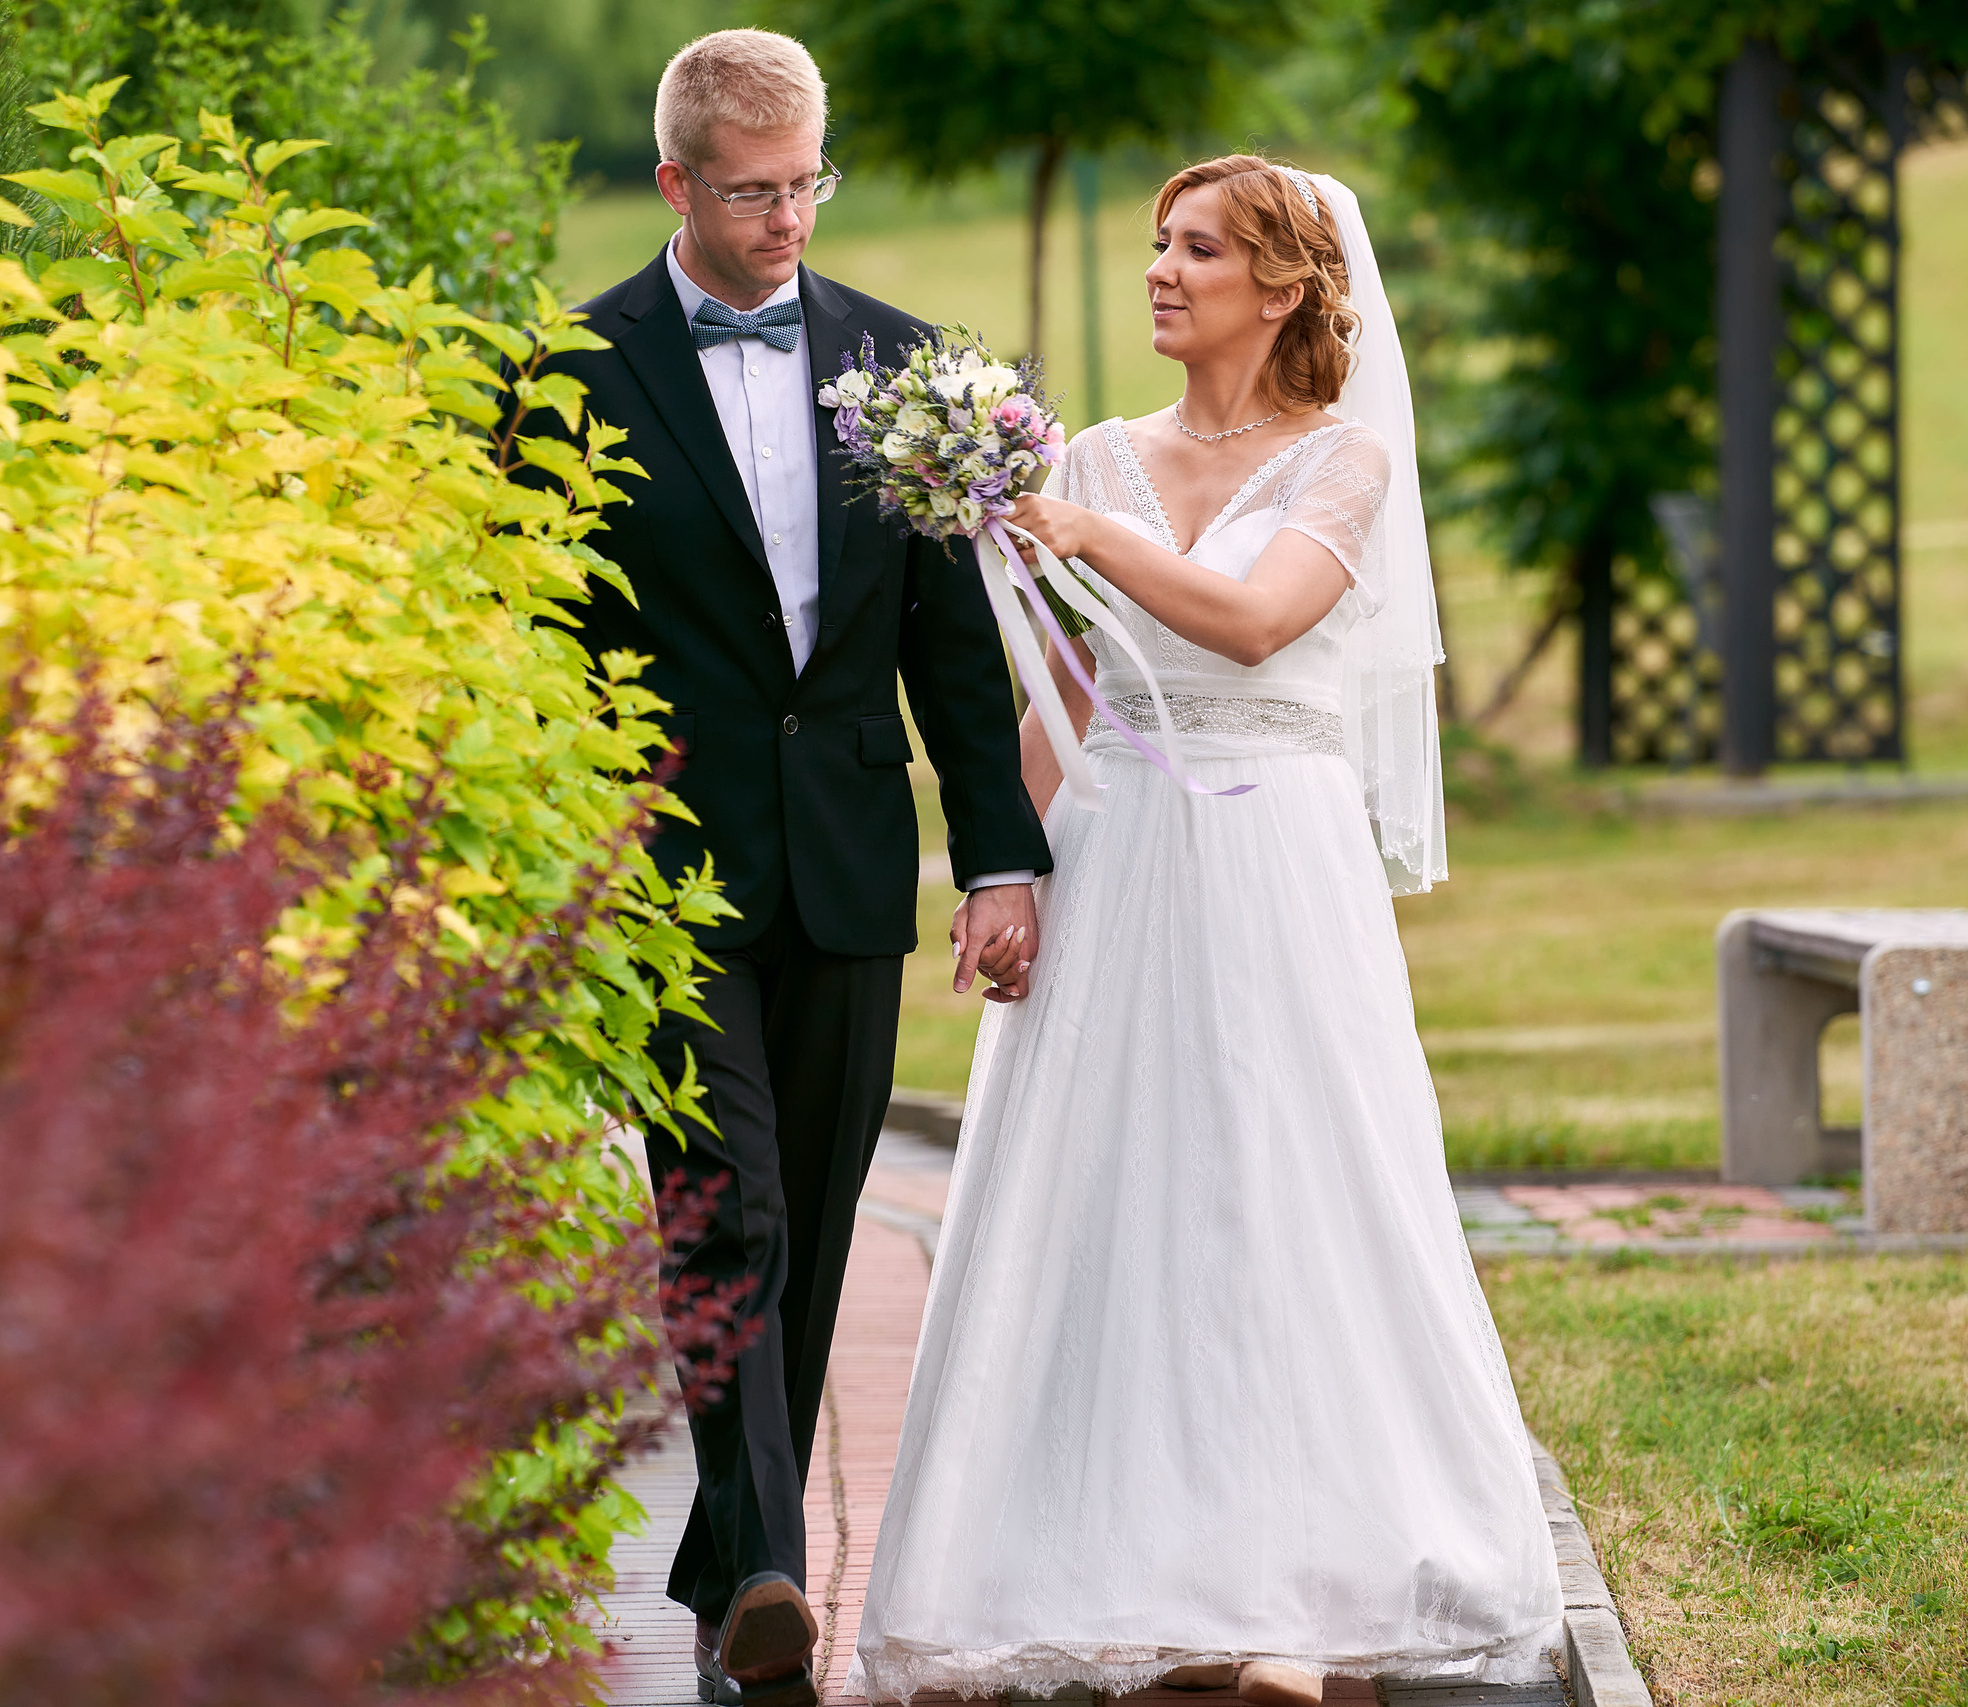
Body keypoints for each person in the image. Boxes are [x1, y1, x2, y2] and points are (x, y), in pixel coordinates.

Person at [846, 156, 1563, 1706]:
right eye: (1157, 246)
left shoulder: (1340, 465)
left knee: (1281, 1192)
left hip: (1274, 856)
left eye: (1199, 249)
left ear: (1287, 284)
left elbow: (1252, 624)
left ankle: (1296, 1600)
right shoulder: (1097, 452)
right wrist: (1005, 869)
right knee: (1113, 1205)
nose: (1162, 271)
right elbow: (1073, 693)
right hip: (1118, 852)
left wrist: (1086, 542)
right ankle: (1139, 1581)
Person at [528, 29, 1052, 1707]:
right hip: (664, 873)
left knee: (814, 1218)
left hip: (844, 867)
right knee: (727, 1205)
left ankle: (727, 1549)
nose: (786, 220)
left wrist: (997, 860)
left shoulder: (906, 371)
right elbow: (536, 641)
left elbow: (955, 654)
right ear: (675, 181)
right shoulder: (568, 374)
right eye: (751, 192)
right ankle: (760, 1571)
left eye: (807, 184)